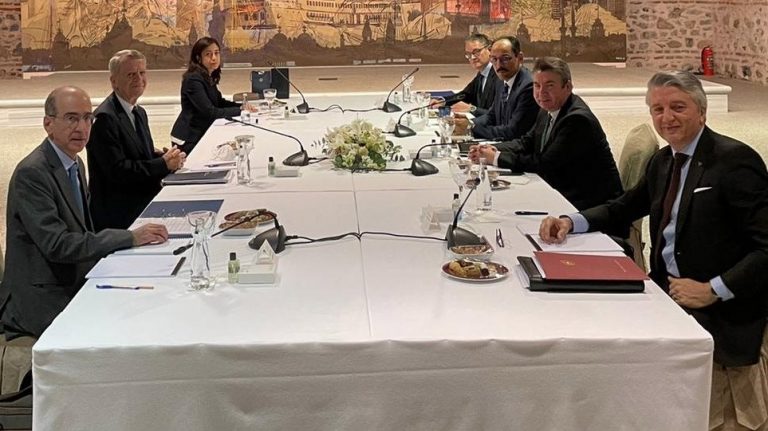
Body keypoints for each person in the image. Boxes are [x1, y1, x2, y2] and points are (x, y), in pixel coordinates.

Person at [539, 71, 768, 431]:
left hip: (721, 312)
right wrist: (572, 221)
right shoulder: (664, 161)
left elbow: (765, 247)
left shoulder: (735, 162)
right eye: (658, 109)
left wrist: (714, 289)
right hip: (665, 293)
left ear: (702, 111)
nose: (667, 118)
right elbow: (624, 206)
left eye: (678, 107)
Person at [0, 86, 169, 339]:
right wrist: (129, 237)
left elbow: (83, 232)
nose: (82, 127)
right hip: (42, 296)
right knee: (125, 328)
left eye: (88, 118)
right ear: (48, 124)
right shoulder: (32, 173)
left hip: (73, 276)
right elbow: (58, 245)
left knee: (151, 300)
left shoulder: (75, 163)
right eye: (71, 118)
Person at [469, 56, 622, 211]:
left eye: (550, 86)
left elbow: (544, 165)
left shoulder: (577, 120)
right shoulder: (547, 109)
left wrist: (497, 158)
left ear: (567, 87)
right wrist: (490, 148)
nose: (541, 93)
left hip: (589, 205)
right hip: (562, 191)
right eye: (537, 85)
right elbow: (526, 142)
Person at [87, 49, 186, 231]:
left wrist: (165, 157)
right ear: (114, 81)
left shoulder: (139, 112)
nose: (139, 79)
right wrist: (163, 164)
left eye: (142, 73)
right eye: (131, 74)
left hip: (142, 199)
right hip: (121, 215)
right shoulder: (104, 119)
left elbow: (140, 155)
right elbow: (118, 171)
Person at [171, 37, 248, 153]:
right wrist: (241, 110)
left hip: (201, 132)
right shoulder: (193, 79)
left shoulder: (206, 76)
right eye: (208, 54)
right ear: (198, 58)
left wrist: (242, 106)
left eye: (216, 53)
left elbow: (219, 102)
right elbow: (210, 112)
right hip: (189, 138)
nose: (214, 58)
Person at [463, 36, 538, 141]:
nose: (498, 65)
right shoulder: (501, 80)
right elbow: (492, 116)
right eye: (494, 59)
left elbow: (512, 132)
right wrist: (468, 123)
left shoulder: (528, 87)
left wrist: (470, 128)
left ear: (520, 58)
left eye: (505, 59)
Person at [442, 33, 498, 117]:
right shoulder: (481, 74)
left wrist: (471, 109)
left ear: (489, 50)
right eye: (468, 54)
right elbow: (465, 95)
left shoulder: (499, 75)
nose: (472, 57)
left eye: (476, 52)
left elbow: (499, 115)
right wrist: (443, 101)